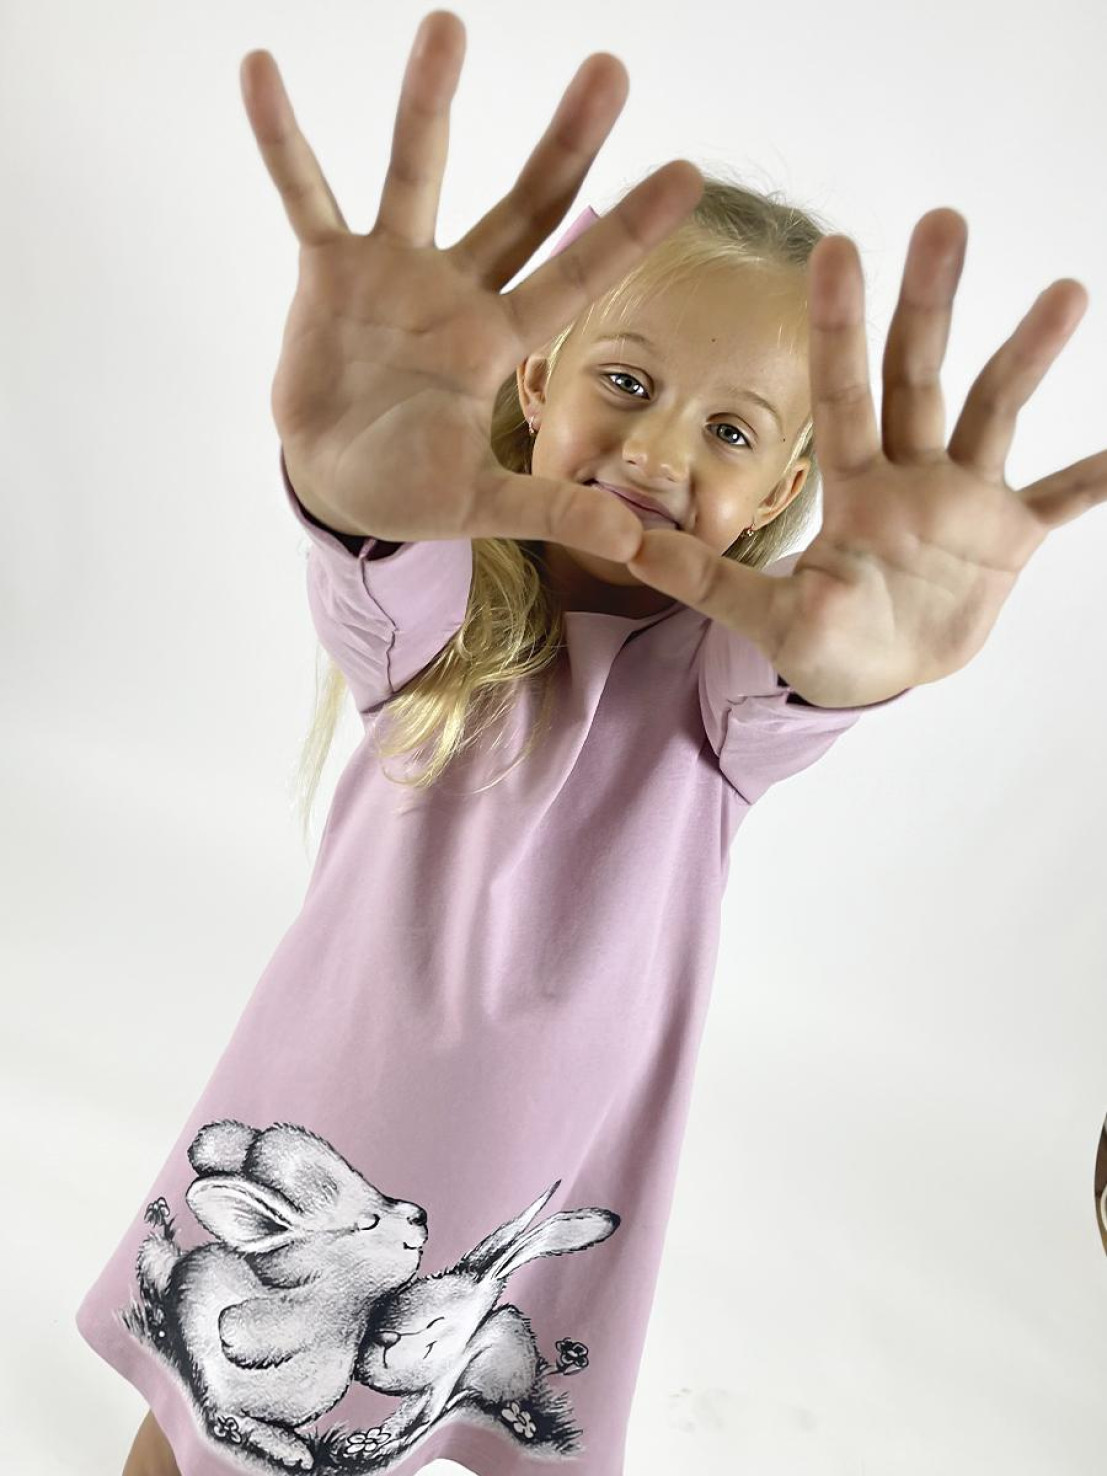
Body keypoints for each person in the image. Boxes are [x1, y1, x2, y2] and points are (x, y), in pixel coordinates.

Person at [77, 11, 1102, 1476]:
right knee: (211, 1430)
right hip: (334, 1113)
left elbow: (806, 682)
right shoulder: (437, 625)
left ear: (783, 490)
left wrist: (873, 654)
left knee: (467, 1409)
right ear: (538, 383)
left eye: (732, 432)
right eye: (626, 382)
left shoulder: (722, 695)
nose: (660, 450)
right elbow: (377, 553)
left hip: (534, 1171)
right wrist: (349, 475)